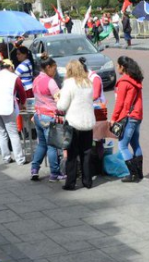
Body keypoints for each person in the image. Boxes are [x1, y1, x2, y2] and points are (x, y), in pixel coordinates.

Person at [58, 60, 96, 191]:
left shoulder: (69, 84)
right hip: (88, 122)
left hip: (74, 123)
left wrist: (58, 100)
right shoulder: (88, 83)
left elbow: (62, 106)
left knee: (72, 154)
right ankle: (87, 181)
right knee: (86, 153)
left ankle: (71, 182)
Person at [110, 56, 144, 183]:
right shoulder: (135, 80)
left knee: (122, 145)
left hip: (128, 117)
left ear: (122, 67)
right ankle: (139, 173)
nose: (116, 67)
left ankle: (133, 174)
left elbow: (120, 103)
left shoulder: (124, 82)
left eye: (117, 65)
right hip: (137, 116)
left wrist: (114, 118)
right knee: (135, 143)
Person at [30, 54, 64, 182]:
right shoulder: (50, 82)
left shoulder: (36, 79)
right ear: (48, 67)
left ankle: (34, 169)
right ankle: (55, 173)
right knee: (52, 146)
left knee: (42, 145)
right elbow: (59, 100)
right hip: (49, 117)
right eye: (54, 68)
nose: (55, 72)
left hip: (38, 116)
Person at [0, 58, 27, 164]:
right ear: (10, 67)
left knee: (1, 134)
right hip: (7, 106)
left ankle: (6, 157)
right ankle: (20, 159)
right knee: (13, 134)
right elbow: (22, 92)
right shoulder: (14, 77)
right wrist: (23, 103)